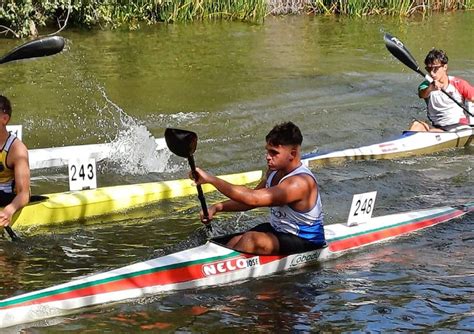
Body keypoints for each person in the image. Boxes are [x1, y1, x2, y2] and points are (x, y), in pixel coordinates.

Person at [192, 121, 325, 255]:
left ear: (292, 153)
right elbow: (249, 199)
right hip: (278, 231)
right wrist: (217, 207)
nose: (268, 157)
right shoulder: (273, 172)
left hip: (306, 241)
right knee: (230, 242)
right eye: (267, 151)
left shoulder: (299, 183)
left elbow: (252, 199)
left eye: (274, 152)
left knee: (250, 240)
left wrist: (211, 179)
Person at [409, 49, 474, 132]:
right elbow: (422, 95)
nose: (432, 73)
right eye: (428, 69)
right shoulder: (425, 85)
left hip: (460, 128)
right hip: (438, 129)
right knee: (416, 125)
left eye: (435, 68)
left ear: (445, 67)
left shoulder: (459, 84)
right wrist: (430, 88)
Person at [0, 95, 30, 228]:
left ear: (4, 119)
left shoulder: (17, 150)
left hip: (7, 198)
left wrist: (10, 210)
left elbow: (23, 193)